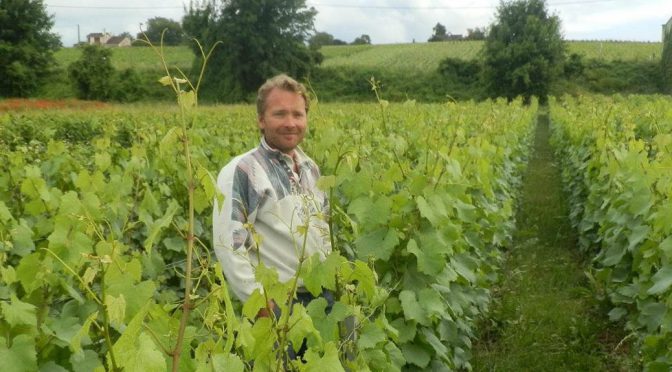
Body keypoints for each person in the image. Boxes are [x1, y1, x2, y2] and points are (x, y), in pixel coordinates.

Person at [212, 74, 331, 311]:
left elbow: (324, 230)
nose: (291, 122)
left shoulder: (311, 168)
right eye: (280, 114)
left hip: (323, 298)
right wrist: (262, 307)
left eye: (298, 114)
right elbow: (230, 246)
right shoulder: (243, 170)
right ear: (261, 120)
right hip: (278, 304)